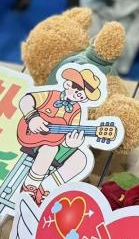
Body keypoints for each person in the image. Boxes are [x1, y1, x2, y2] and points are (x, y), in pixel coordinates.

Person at [17, 66, 102, 205]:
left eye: (82, 96)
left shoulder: (76, 110)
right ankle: (30, 186)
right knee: (50, 148)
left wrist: (70, 143)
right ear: (68, 84)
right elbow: (25, 100)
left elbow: (68, 134)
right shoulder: (51, 95)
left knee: (82, 158)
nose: (79, 96)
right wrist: (32, 118)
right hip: (33, 138)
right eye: (78, 91)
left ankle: (46, 189)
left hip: (57, 143)